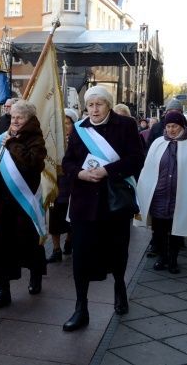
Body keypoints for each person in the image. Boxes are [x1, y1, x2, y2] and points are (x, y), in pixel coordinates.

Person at [61, 86, 144, 331]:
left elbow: (137, 158)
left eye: (99, 104)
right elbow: (68, 161)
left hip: (114, 202)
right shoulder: (79, 129)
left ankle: (119, 288)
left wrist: (108, 170)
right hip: (84, 203)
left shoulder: (126, 125)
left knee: (117, 252)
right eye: (90, 105)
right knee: (82, 257)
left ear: (108, 104)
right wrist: (80, 173)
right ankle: (81, 308)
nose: (94, 109)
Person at [0, 100, 47, 309]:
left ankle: (35, 276)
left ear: (29, 120)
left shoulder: (35, 140)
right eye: (13, 117)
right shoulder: (0, 140)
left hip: (23, 204)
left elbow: (33, 164)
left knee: (30, 245)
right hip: (1, 204)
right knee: (0, 248)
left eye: (20, 117)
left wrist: (12, 144)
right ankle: (2, 290)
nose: (15, 121)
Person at [136, 111, 187, 274]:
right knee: (158, 229)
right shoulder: (158, 143)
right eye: (168, 126)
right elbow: (149, 170)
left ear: (182, 126)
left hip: (181, 196)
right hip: (159, 195)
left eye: (174, 126)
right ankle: (163, 257)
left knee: (176, 230)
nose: (171, 129)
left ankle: (173, 259)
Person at [46, 108, 78, 263]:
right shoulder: (52, 141)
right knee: (54, 219)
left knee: (71, 216)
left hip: (72, 186)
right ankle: (56, 249)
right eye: (62, 123)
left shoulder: (77, 140)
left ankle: (69, 241)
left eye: (67, 123)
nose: (65, 126)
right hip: (55, 186)